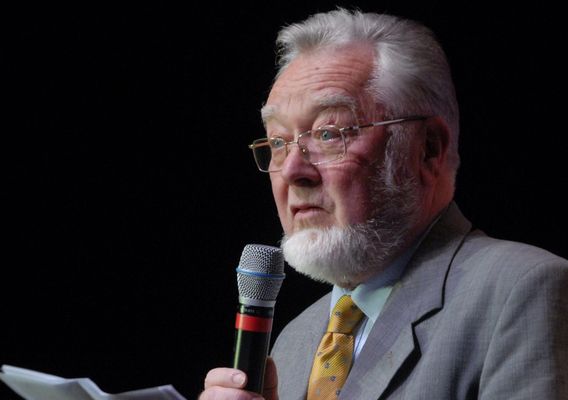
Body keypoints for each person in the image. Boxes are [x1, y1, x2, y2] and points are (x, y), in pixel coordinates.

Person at [200, 8, 568, 400]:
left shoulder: (524, 290)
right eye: (277, 142)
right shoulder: (294, 341)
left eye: (328, 133)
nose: (292, 169)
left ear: (428, 149)